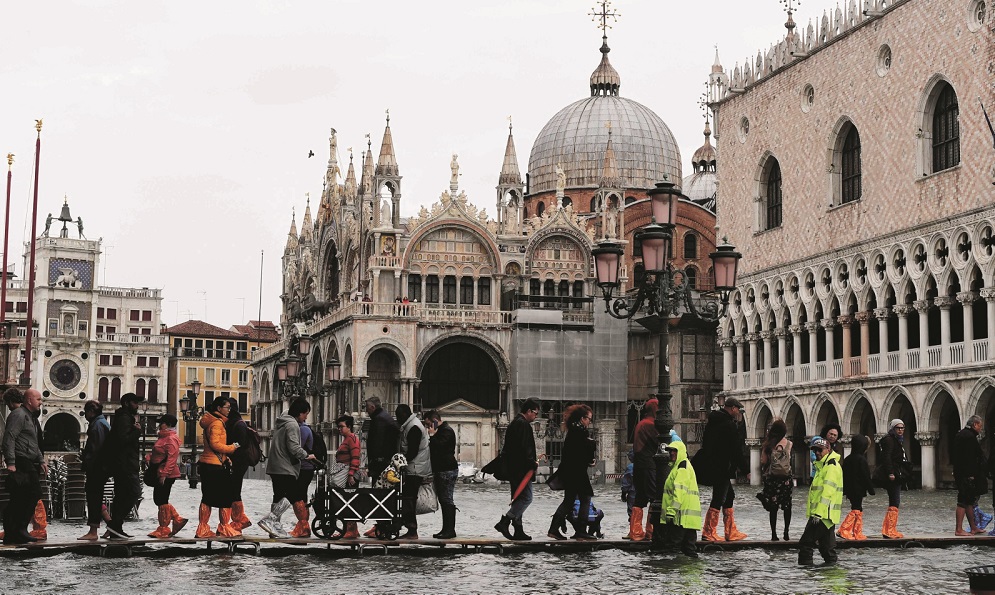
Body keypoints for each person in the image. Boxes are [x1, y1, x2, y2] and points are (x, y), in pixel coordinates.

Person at [257, 398, 316, 538]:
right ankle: (270, 519)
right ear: (299, 413)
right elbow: (294, 447)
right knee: (293, 495)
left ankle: (274, 528)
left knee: (278, 496)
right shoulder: (292, 425)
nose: (306, 417)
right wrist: (307, 455)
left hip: (275, 465)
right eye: (305, 414)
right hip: (285, 466)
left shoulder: (282, 423)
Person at [698, 397, 749, 541]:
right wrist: (746, 470)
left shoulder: (712, 422)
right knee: (719, 498)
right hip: (722, 467)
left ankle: (730, 531)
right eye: (737, 409)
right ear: (732, 408)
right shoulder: (729, 425)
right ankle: (708, 532)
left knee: (729, 496)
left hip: (714, 465)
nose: (738, 412)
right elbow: (735, 451)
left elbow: (706, 443)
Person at [1, 388, 46, 544]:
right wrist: (11, 462)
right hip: (21, 460)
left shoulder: (30, 417)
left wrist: (41, 460)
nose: (41, 402)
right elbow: (9, 438)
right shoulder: (18, 415)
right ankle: (19, 529)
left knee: (20, 497)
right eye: (38, 399)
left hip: (27, 459)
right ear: (29, 401)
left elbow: (33, 442)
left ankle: (12, 533)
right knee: (33, 492)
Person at [548, 404, 596, 541]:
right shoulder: (580, 431)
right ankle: (581, 531)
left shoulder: (573, 430)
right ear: (582, 418)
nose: (589, 422)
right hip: (577, 472)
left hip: (570, 471)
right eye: (588, 419)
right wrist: (590, 459)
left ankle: (553, 529)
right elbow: (579, 453)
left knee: (569, 500)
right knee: (586, 497)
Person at [494, 398, 540, 541]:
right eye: (535, 413)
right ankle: (505, 522)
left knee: (518, 498)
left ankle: (518, 530)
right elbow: (524, 448)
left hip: (513, 468)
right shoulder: (523, 425)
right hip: (521, 470)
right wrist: (532, 463)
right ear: (528, 411)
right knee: (526, 498)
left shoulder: (515, 423)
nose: (536, 416)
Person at [195, 397, 240, 538]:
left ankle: (202, 528)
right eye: (227, 407)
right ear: (219, 409)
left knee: (207, 497)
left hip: (208, 464)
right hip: (215, 466)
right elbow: (215, 444)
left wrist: (226, 458)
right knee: (226, 498)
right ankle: (224, 528)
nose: (229, 410)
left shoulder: (211, 421)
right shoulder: (217, 424)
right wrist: (231, 448)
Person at [105, 392, 145, 539]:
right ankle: (115, 524)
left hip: (123, 463)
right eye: (135, 402)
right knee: (134, 493)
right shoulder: (124, 418)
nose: (137, 405)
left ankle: (116, 528)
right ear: (127, 403)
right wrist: (137, 432)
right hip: (125, 464)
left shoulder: (124, 417)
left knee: (121, 495)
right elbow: (123, 440)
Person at [798, 436, 843, 565]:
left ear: (828, 450)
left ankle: (807, 576)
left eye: (820, 450)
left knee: (806, 544)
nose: (817, 453)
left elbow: (827, 493)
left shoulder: (831, 467)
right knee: (827, 549)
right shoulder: (822, 466)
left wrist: (818, 514)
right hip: (825, 515)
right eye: (814, 450)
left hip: (822, 515)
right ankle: (832, 573)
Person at [362, 396, 399, 537]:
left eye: (367, 407)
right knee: (385, 496)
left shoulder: (379, 420)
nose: (365, 410)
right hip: (387, 464)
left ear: (372, 407)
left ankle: (383, 528)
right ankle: (382, 526)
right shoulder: (385, 417)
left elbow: (376, 445)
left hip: (382, 466)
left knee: (380, 496)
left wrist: (372, 465)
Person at [145, 414, 187, 538]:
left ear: (168, 424)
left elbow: (172, 458)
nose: (159, 425)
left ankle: (164, 528)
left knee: (160, 499)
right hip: (160, 472)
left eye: (162, 423)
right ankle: (176, 519)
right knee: (160, 499)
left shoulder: (171, 439)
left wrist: (165, 474)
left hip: (166, 474)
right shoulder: (163, 437)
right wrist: (150, 458)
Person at [395, 403, 431, 539]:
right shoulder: (411, 425)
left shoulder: (413, 427)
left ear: (404, 415)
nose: (397, 420)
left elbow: (412, 452)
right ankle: (409, 527)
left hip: (415, 469)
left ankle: (412, 530)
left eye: (398, 417)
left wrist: (398, 462)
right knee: (408, 497)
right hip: (414, 467)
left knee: (409, 498)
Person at [661, 437, 701, 558]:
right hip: (688, 518)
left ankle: (674, 572)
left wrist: (671, 512)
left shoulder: (681, 467)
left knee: (673, 548)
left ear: (681, 452)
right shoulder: (682, 466)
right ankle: (691, 571)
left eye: (675, 451)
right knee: (689, 550)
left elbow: (679, 492)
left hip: (680, 517)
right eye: (670, 451)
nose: (672, 453)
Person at [78, 399, 111, 540]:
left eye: (86, 412)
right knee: (96, 497)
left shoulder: (97, 425)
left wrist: (86, 462)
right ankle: (111, 525)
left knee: (93, 498)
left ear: (91, 412)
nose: (85, 415)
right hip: (101, 466)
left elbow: (95, 448)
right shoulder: (102, 422)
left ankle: (93, 532)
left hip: (97, 467)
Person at [875, 418, 912, 538]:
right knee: (895, 501)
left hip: (896, 473)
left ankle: (889, 529)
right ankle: (889, 530)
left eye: (902, 428)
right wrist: (891, 473)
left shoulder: (896, 440)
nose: (900, 430)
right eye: (898, 428)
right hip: (893, 475)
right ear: (893, 429)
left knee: (894, 501)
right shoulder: (890, 440)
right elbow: (887, 457)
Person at [425, 409, 458, 539]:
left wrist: (432, 435)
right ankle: (446, 529)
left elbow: (439, 447)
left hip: (447, 469)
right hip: (443, 468)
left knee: (447, 499)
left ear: (434, 421)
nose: (428, 428)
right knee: (444, 499)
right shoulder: (443, 430)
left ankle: (449, 530)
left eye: (429, 424)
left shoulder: (446, 431)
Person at [628, 398, 658, 541]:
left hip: (640, 465)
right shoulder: (650, 424)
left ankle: (635, 532)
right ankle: (651, 531)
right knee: (654, 496)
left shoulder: (642, 423)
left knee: (640, 497)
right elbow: (661, 441)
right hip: (648, 465)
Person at [953, 415, 988, 536]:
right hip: (966, 474)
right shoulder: (968, 437)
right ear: (975, 425)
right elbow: (969, 458)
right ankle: (959, 529)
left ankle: (973, 527)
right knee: (962, 500)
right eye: (980, 426)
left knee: (968, 501)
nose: (980, 429)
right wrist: (970, 474)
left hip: (961, 472)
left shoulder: (962, 434)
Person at [759, 418, 793, 541]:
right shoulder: (789, 444)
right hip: (786, 480)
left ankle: (774, 534)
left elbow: (763, 461)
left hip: (772, 479)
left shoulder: (768, 445)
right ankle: (786, 532)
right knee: (787, 505)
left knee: (773, 507)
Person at [838, 434, 875, 540]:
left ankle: (855, 531)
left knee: (856, 508)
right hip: (858, 489)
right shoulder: (861, 459)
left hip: (849, 489)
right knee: (857, 509)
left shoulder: (848, 459)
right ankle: (845, 530)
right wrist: (871, 489)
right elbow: (865, 476)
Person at [224, 398, 253, 532]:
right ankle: (238, 520)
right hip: (237, 461)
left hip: (238, 462)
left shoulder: (237, 424)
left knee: (234, 491)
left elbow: (240, 444)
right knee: (233, 490)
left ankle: (240, 521)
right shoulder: (236, 423)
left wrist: (229, 449)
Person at [333, 415, 361, 539]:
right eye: (338, 427)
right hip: (346, 474)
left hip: (350, 476)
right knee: (347, 501)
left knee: (350, 502)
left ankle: (351, 530)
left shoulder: (352, 439)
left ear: (349, 426)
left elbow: (355, 458)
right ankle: (349, 529)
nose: (339, 429)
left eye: (341, 427)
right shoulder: (346, 439)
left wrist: (351, 475)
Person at [291, 407, 317, 538]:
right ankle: (303, 525)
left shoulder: (303, 429)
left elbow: (296, 448)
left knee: (299, 495)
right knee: (301, 495)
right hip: (305, 468)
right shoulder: (303, 428)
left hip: (304, 468)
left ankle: (303, 526)